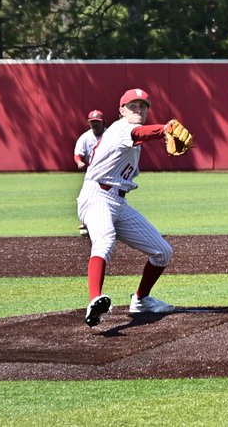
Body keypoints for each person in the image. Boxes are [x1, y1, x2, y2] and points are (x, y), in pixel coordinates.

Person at [78, 87, 189, 326]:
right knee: (105, 240)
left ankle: (141, 299)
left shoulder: (130, 135)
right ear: (121, 111)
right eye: (132, 106)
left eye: (143, 106)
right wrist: (165, 129)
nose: (138, 110)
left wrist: (162, 132)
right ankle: (94, 300)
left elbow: (140, 134)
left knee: (162, 252)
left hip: (118, 200)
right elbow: (140, 132)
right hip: (96, 195)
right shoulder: (120, 129)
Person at [72, 110, 106, 237]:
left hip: (109, 171)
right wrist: (79, 162)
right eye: (92, 122)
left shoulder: (110, 135)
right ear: (88, 123)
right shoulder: (85, 138)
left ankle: (109, 223)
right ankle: (84, 222)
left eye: (97, 122)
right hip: (91, 172)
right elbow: (77, 155)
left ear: (103, 123)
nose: (95, 124)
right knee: (85, 197)